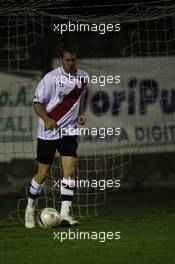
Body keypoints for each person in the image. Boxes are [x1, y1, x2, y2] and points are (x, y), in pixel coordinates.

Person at [25, 44, 88, 228]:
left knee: (70, 171)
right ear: (62, 60)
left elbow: (81, 95)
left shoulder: (83, 77)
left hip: (69, 131)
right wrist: (46, 119)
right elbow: (37, 104)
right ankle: (30, 208)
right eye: (67, 60)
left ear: (76, 58)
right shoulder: (50, 78)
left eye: (73, 60)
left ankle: (65, 215)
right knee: (42, 173)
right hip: (49, 132)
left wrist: (80, 113)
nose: (70, 63)